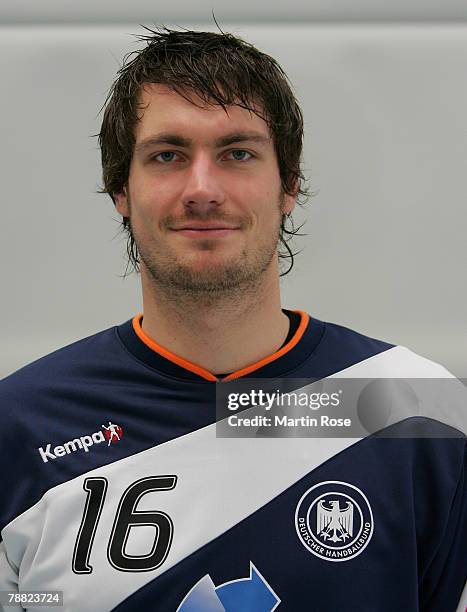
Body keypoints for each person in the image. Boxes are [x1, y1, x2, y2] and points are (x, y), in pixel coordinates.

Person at [0, 23, 465, 612]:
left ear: (288, 185)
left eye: (237, 153)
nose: (202, 188)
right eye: (167, 155)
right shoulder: (17, 427)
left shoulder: (414, 408)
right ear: (121, 190)